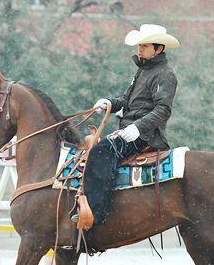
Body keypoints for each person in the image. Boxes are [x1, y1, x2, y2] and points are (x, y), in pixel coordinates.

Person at [76, 23, 180, 228]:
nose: (139, 49)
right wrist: (110, 103)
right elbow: (127, 100)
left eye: (145, 46)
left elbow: (163, 110)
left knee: (100, 153)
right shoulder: (143, 71)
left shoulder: (165, 75)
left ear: (159, 49)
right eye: (139, 46)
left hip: (147, 135)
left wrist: (138, 128)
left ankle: (96, 215)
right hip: (130, 129)